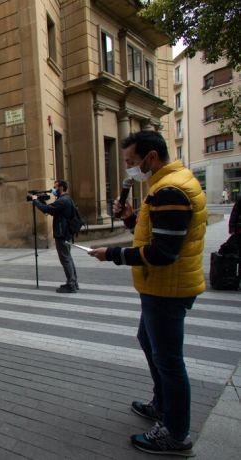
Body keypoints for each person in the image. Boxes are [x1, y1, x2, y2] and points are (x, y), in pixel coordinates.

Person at [88, 131, 205, 457]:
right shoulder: (167, 185)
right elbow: (155, 232)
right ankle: (162, 404)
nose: (129, 169)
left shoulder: (171, 190)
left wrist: (111, 254)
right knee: (148, 341)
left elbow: (163, 252)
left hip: (167, 288)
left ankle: (176, 434)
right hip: (159, 286)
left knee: (169, 361)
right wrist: (129, 218)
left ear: (150, 158)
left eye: (130, 162)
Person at [31, 180, 79, 293]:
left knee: (65, 259)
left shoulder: (62, 201)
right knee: (68, 258)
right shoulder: (66, 199)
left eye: (55, 187)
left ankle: (71, 284)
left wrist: (36, 201)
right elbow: (53, 211)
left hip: (62, 234)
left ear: (61, 187)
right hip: (66, 233)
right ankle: (73, 282)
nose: (53, 189)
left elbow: (48, 210)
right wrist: (42, 201)